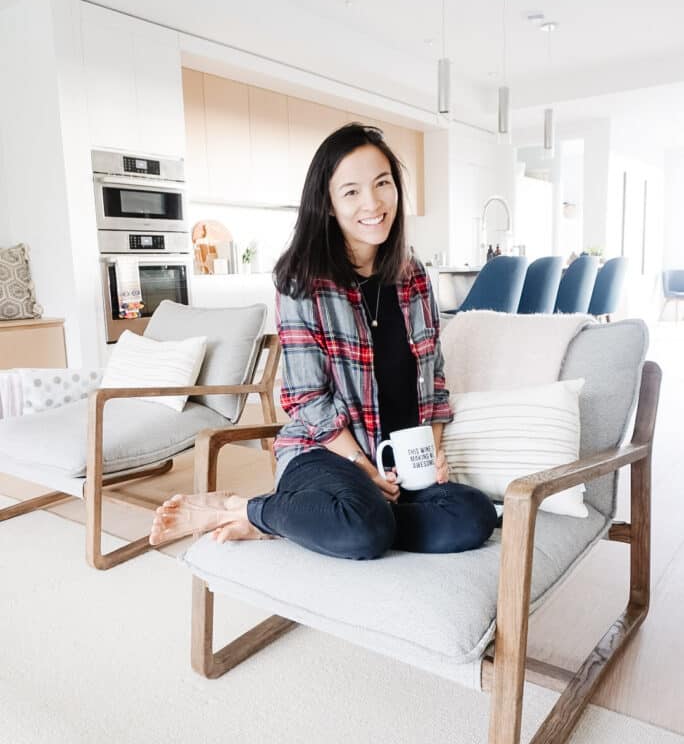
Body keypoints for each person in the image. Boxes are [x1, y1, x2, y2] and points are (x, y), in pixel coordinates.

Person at [150, 123, 496, 559]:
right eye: (351, 192)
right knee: (364, 532)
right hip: (325, 453)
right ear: (329, 204)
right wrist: (361, 465)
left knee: (473, 514)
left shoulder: (414, 278)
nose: (372, 203)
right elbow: (307, 399)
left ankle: (324, 521)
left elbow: (435, 381)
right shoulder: (301, 281)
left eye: (382, 184)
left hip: (399, 464)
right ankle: (248, 509)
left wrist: (435, 453)